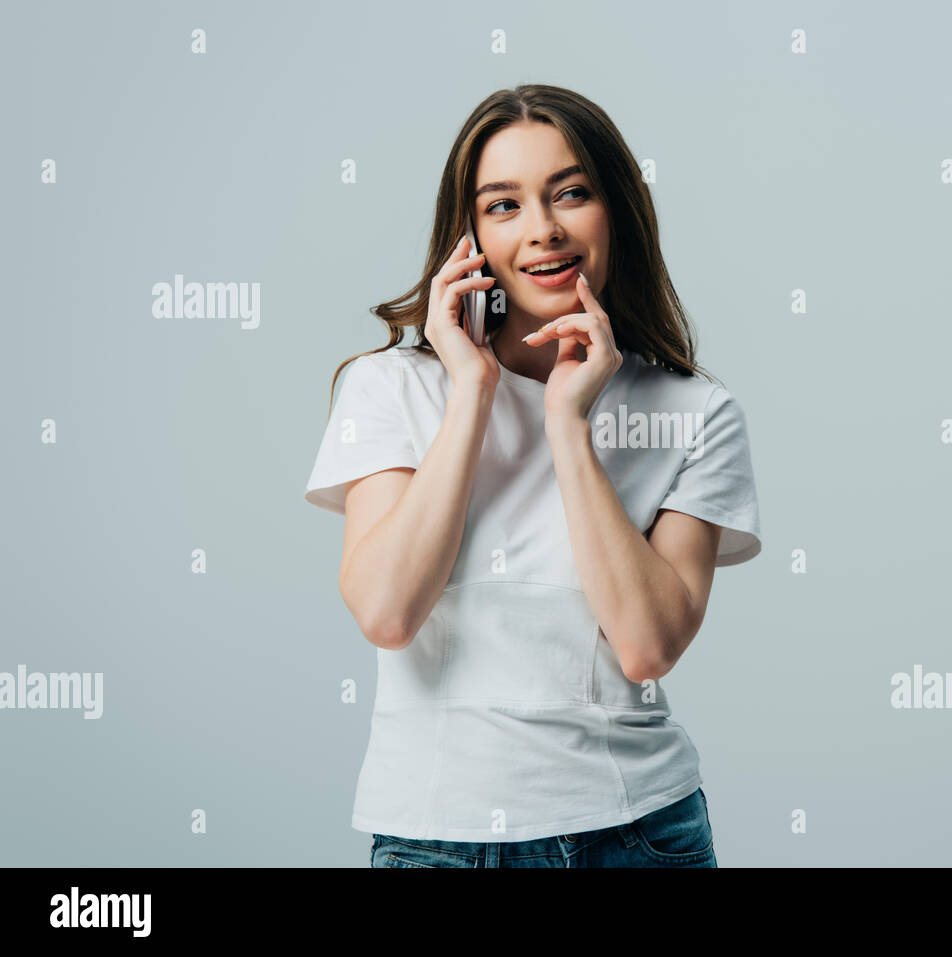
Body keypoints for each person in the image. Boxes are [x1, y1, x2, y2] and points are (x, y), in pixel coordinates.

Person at [304, 84, 761, 867]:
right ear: (469, 235)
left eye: (571, 193)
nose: (544, 230)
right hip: (435, 841)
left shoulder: (696, 411)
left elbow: (647, 645)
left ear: (615, 208)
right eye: (504, 205)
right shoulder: (390, 388)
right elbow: (386, 611)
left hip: (635, 833)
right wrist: (473, 392)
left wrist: (568, 425)